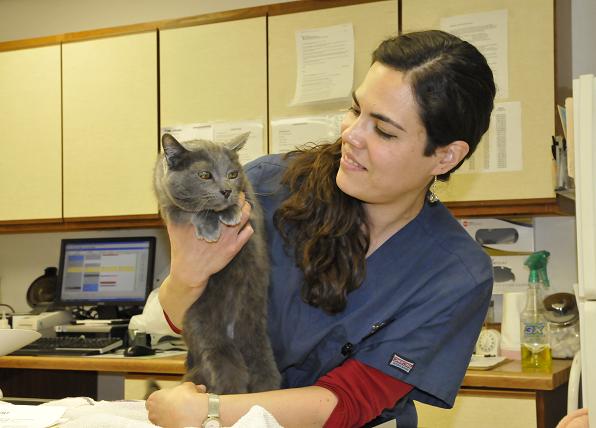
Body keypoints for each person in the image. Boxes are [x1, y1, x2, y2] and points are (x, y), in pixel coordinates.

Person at [145, 29, 496, 428]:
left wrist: (209, 412)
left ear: (445, 156)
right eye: (355, 109)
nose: (351, 135)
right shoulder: (263, 188)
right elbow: (180, 317)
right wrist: (187, 278)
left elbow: (350, 400)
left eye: (383, 130)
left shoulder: (455, 274)